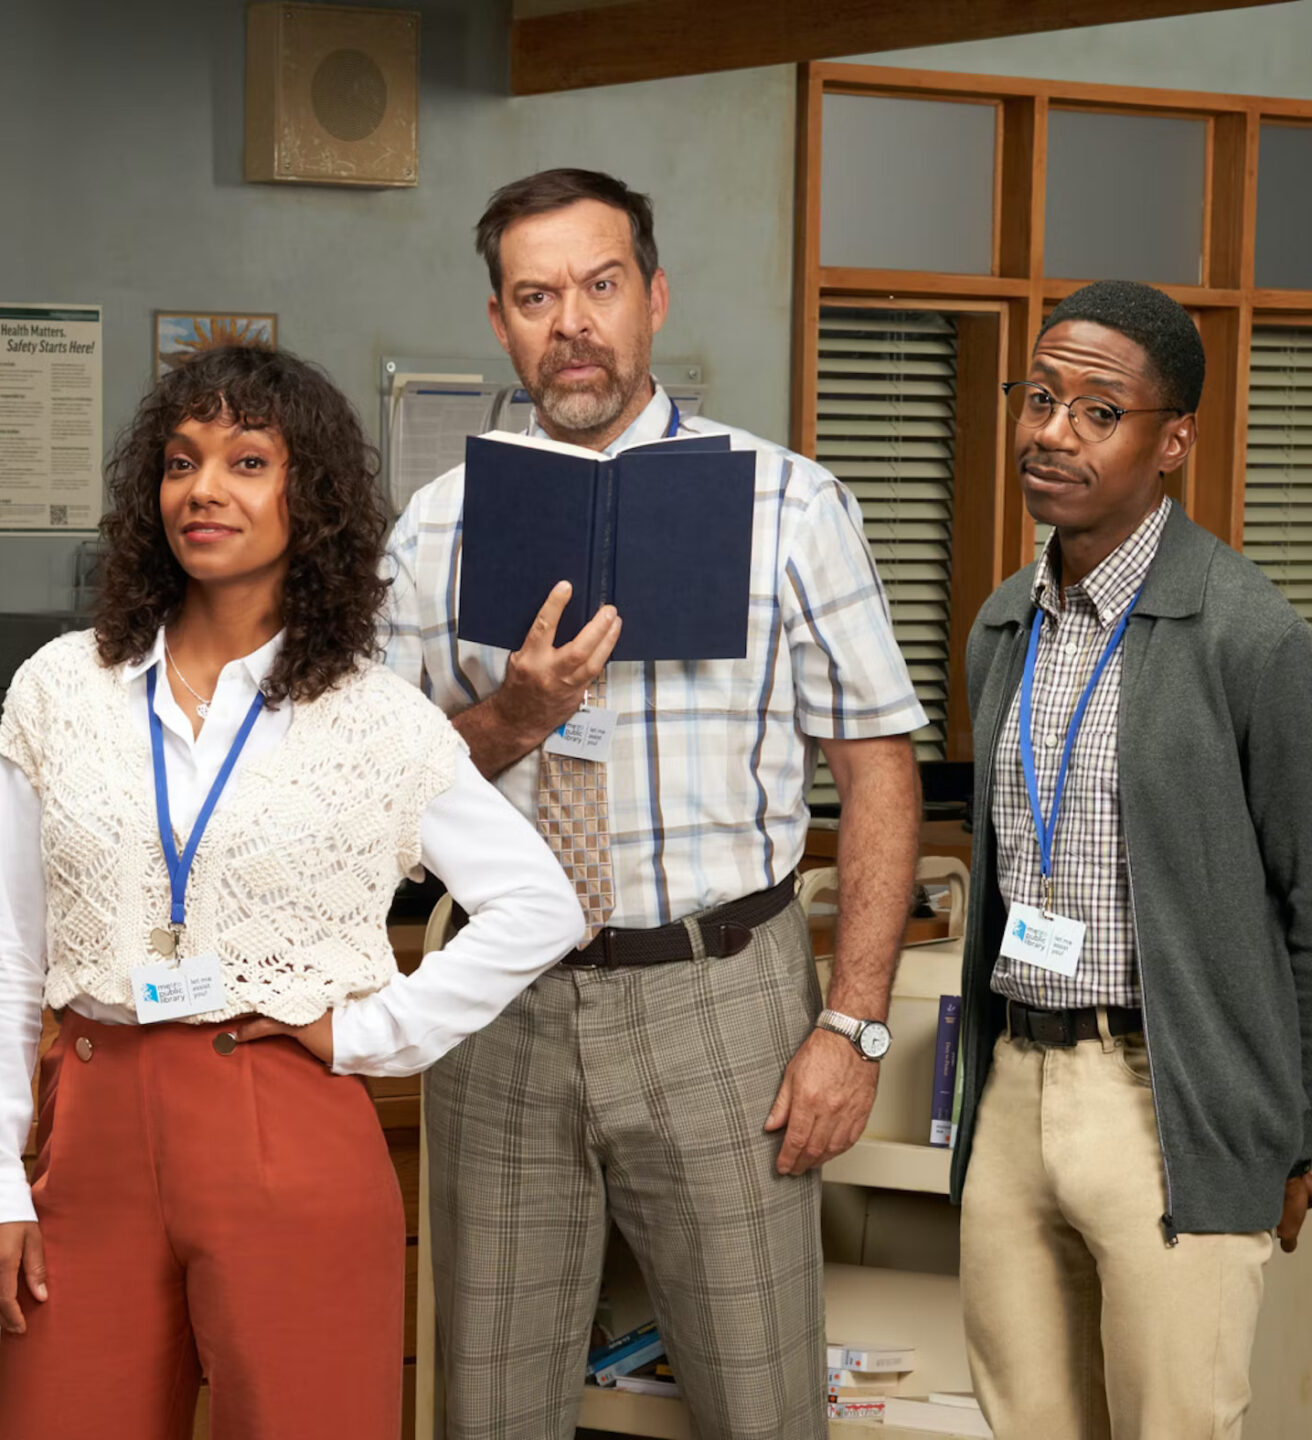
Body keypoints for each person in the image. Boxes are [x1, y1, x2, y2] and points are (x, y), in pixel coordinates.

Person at [0, 343, 582, 1440]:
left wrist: (373, 1033)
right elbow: (6, 949)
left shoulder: (375, 717)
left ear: (313, 498)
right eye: (181, 461)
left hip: (287, 1119)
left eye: (248, 461)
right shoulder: (60, 689)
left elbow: (540, 905)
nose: (205, 489)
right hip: (91, 1124)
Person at [384, 168, 928, 1439]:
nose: (570, 322)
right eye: (535, 296)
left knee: (759, 1402)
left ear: (654, 297)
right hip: (496, 1005)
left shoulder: (789, 503)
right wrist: (513, 714)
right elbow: (371, 792)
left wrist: (852, 1025)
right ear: (499, 323)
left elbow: (876, 770)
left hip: (720, 1001)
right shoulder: (432, 529)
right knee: (490, 1408)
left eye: (599, 284)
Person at [947, 280, 1312, 1438]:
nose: (1052, 432)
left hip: (1166, 1102)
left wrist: (1281, 1136)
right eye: (1039, 398)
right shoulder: (1003, 626)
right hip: (1012, 1092)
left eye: (1098, 411)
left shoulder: (1252, 641)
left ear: (1173, 441)